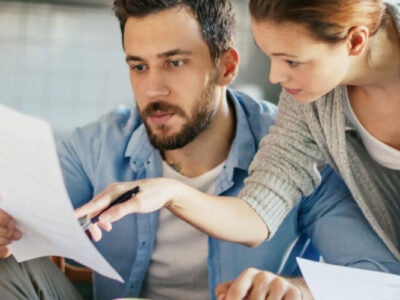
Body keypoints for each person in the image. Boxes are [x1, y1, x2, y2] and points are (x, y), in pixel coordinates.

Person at [0, 0, 399, 300]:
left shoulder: (310, 149)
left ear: (227, 67)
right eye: (138, 66)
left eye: (174, 63)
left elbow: (377, 279)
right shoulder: (96, 145)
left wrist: (297, 290)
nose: (152, 89)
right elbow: (21, 219)